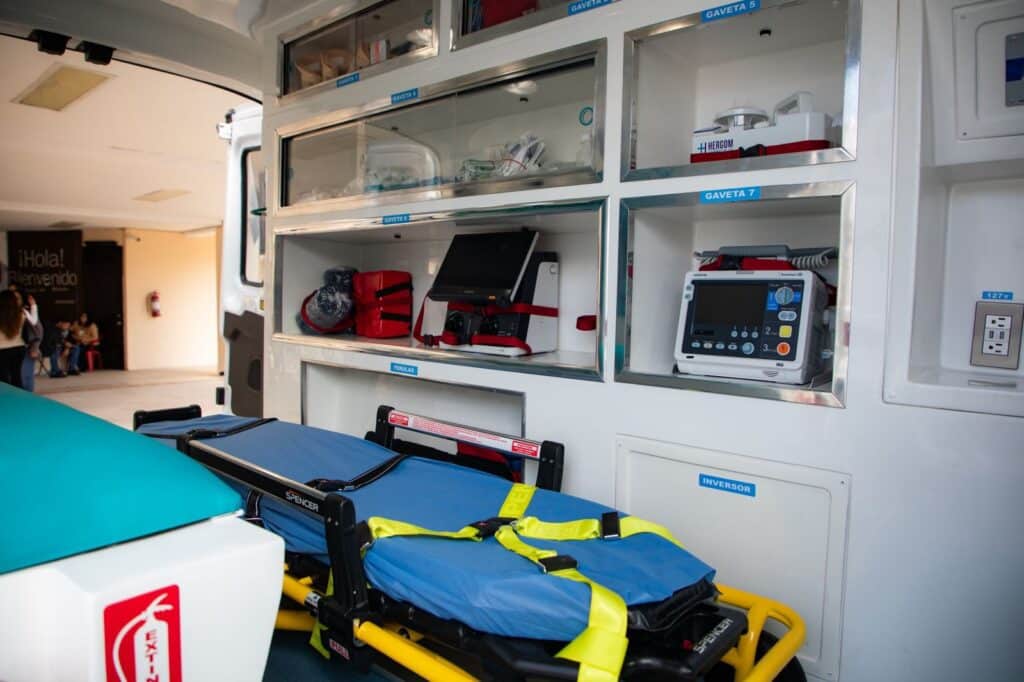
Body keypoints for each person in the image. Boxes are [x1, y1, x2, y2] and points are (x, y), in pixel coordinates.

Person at [0, 289, 26, 388]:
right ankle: (18, 396)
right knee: (17, 377)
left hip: (2, 349)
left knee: (3, 378)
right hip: (18, 347)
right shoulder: (21, 315)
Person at [20, 294, 42, 391]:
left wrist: (33, 306)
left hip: (27, 348)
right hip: (16, 347)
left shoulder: (25, 312)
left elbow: (37, 329)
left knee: (26, 376)